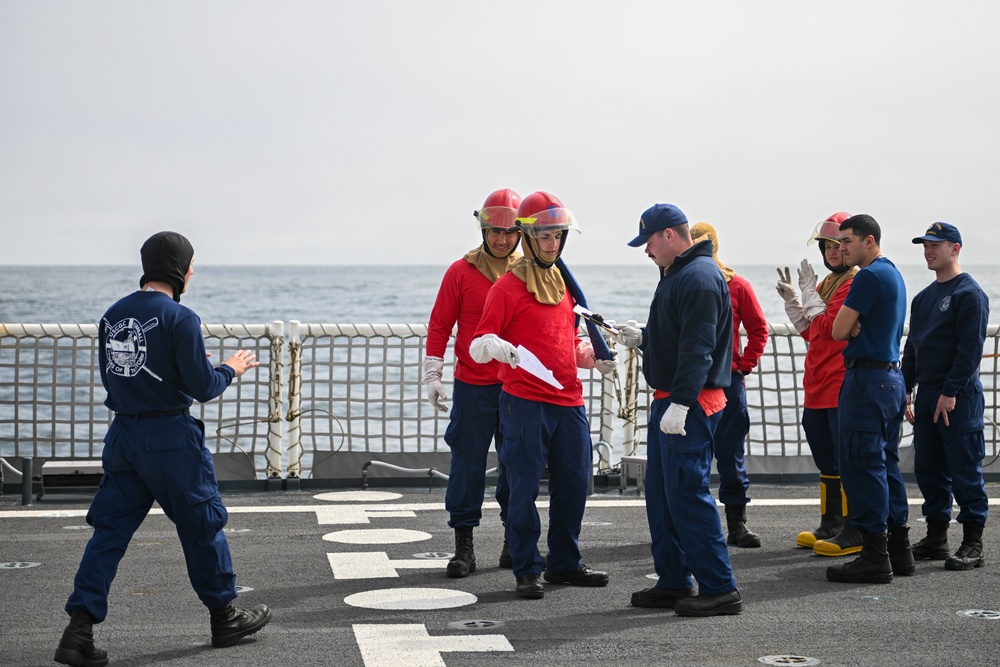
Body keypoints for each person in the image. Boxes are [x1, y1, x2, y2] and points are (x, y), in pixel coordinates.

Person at [56, 232, 271, 667]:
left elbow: (122, 374)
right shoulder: (181, 317)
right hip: (171, 440)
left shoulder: (112, 316)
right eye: (190, 265)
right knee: (202, 525)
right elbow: (203, 387)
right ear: (178, 269)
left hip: (124, 438)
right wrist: (231, 367)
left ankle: (77, 633)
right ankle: (225, 617)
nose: (193, 272)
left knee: (109, 534)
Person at [469, 191, 616, 600]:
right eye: (544, 236)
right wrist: (493, 346)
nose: (552, 243)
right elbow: (477, 346)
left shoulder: (564, 286)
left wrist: (590, 358)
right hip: (524, 403)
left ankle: (565, 563)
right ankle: (527, 567)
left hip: (569, 402)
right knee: (523, 486)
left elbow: (565, 341)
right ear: (528, 237)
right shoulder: (506, 289)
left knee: (573, 483)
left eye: (558, 236)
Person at [618, 203, 742, 617]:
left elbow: (699, 347)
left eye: (649, 241)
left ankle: (720, 586)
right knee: (662, 496)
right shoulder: (681, 273)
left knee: (687, 495)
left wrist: (684, 402)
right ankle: (673, 580)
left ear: (670, 235)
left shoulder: (699, 278)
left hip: (687, 403)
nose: (647, 251)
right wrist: (647, 337)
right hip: (670, 400)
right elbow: (678, 332)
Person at [424, 188, 522, 578]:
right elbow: (440, 324)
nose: (501, 239)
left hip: (517, 388)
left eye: (509, 232)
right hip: (472, 385)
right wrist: (433, 373)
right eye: (494, 231)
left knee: (518, 466)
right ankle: (463, 546)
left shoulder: (531, 270)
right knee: (467, 465)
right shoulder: (460, 272)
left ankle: (513, 542)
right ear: (482, 228)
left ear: (520, 232)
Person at [826, 214, 912, 584]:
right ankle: (899, 550)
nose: (841, 247)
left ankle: (875, 555)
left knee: (862, 465)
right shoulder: (892, 274)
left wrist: (850, 320)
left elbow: (837, 330)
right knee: (886, 463)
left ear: (869, 241)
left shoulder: (869, 276)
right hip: (890, 377)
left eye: (847, 241)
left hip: (867, 379)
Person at [902, 222, 989, 571]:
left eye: (936, 245)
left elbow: (971, 349)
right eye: (925, 244)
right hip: (926, 395)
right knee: (928, 468)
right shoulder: (923, 298)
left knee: (965, 468)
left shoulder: (970, 294)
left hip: (958, 396)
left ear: (955, 248)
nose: (928, 250)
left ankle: (973, 544)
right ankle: (937, 537)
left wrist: (950, 392)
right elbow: (912, 348)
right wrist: (905, 389)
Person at [775, 213, 864, 556]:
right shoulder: (829, 283)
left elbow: (829, 327)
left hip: (839, 380)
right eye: (826, 246)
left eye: (838, 245)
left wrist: (808, 292)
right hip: (816, 381)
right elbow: (812, 333)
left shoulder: (854, 283)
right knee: (826, 459)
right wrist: (793, 303)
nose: (831, 252)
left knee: (845, 459)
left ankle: (850, 526)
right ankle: (830, 522)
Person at [690, 222, 767, 548]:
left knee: (731, 455)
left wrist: (742, 367)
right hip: (693, 382)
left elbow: (759, 329)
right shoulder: (684, 282)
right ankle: (693, 523)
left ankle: (737, 525)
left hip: (728, 383)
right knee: (693, 457)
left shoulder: (738, 286)